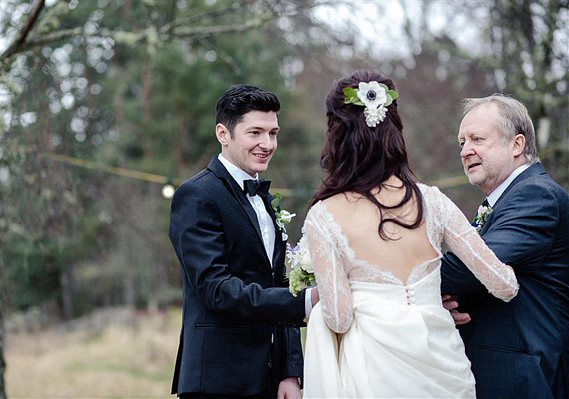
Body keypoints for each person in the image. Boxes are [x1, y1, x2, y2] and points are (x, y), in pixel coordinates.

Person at [300, 70, 519, 398]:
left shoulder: (324, 217)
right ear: (394, 130)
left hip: (373, 374)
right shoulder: (433, 201)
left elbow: (340, 319)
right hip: (444, 370)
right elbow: (504, 286)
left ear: (337, 136)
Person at [168, 84, 316, 398]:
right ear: (223, 134)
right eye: (255, 133)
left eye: (273, 133)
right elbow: (215, 288)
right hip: (218, 379)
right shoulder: (196, 195)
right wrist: (303, 302)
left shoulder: (264, 198)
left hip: (270, 379)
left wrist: (290, 372)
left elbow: (279, 281)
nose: (267, 143)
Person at [441, 94, 569, 399]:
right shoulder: (506, 200)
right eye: (462, 142)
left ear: (517, 144)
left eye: (477, 139)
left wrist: (396, 272)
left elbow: (475, 268)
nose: (465, 150)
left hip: (524, 378)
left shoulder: (535, 196)